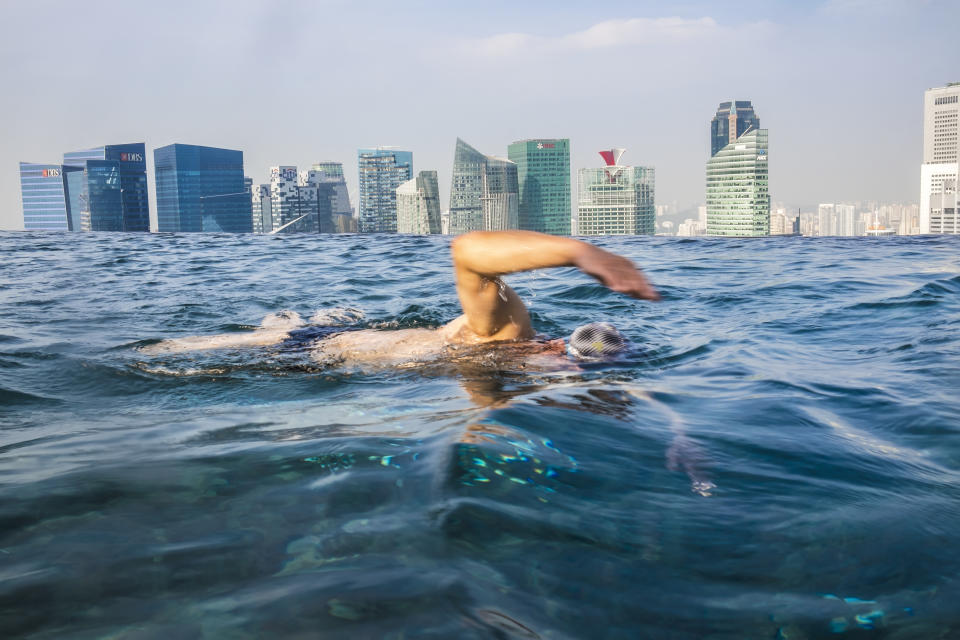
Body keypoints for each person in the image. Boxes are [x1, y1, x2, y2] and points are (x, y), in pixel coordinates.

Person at [140, 230, 659, 366]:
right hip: (306, 348)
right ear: (557, 350)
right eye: (569, 367)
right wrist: (580, 253)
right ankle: (286, 323)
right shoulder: (507, 334)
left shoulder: (513, 370)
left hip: (334, 351)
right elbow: (469, 251)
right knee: (156, 356)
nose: (562, 376)